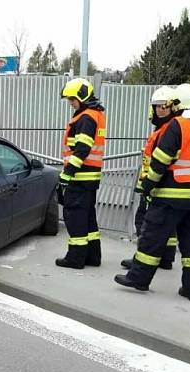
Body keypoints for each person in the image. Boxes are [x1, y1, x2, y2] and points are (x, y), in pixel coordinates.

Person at [115, 84, 190, 302]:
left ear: (180, 104)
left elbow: (161, 161)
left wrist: (147, 186)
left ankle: (139, 279)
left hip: (171, 195)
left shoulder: (178, 125)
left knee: (152, 238)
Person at [120, 86, 178, 270]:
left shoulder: (166, 130)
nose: (160, 109)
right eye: (157, 106)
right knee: (167, 226)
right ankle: (166, 259)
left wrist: (148, 185)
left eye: (164, 106)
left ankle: (142, 260)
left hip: (154, 184)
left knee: (145, 223)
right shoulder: (168, 128)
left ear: (172, 107)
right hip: (160, 184)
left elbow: (160, 161)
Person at [55, 78, 107, 270]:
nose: (70, 103)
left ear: (82, 97)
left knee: (75, 217)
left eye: (72, 99)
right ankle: (93, 256)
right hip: (90, 178)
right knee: (88, 218)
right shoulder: (95, 115)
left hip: (80, 177)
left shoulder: (85, 118)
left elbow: (82, 149)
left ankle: (75, 259)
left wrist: (66, 174)